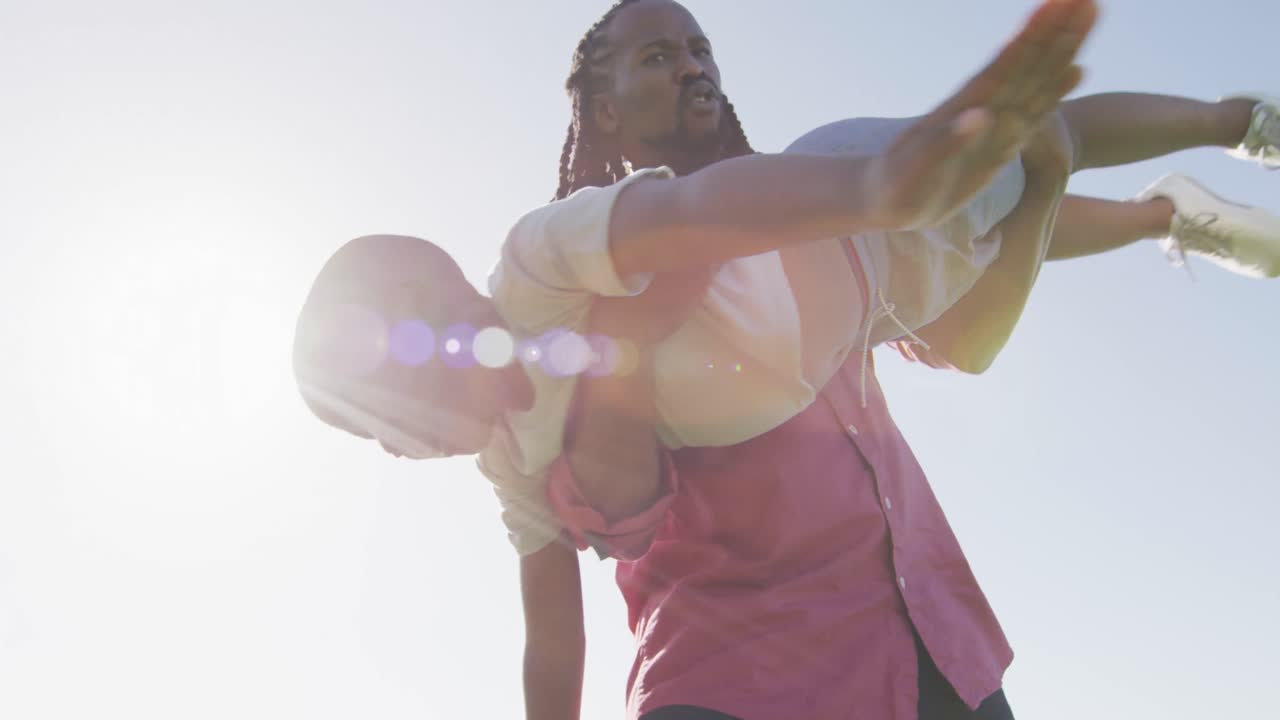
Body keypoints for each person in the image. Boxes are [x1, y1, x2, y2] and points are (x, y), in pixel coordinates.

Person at [291, 1, 1280, 717]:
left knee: (1029, 152)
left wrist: (884, 185)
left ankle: (1234, 122)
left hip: (847, 221)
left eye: (690, 48)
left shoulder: (542, 260)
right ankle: (1167, 215)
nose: (397, 439)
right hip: (867, 296)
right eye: (377, 426)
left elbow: (688, 213)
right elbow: (551, 643)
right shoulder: (515, 466)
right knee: (1011, 216)